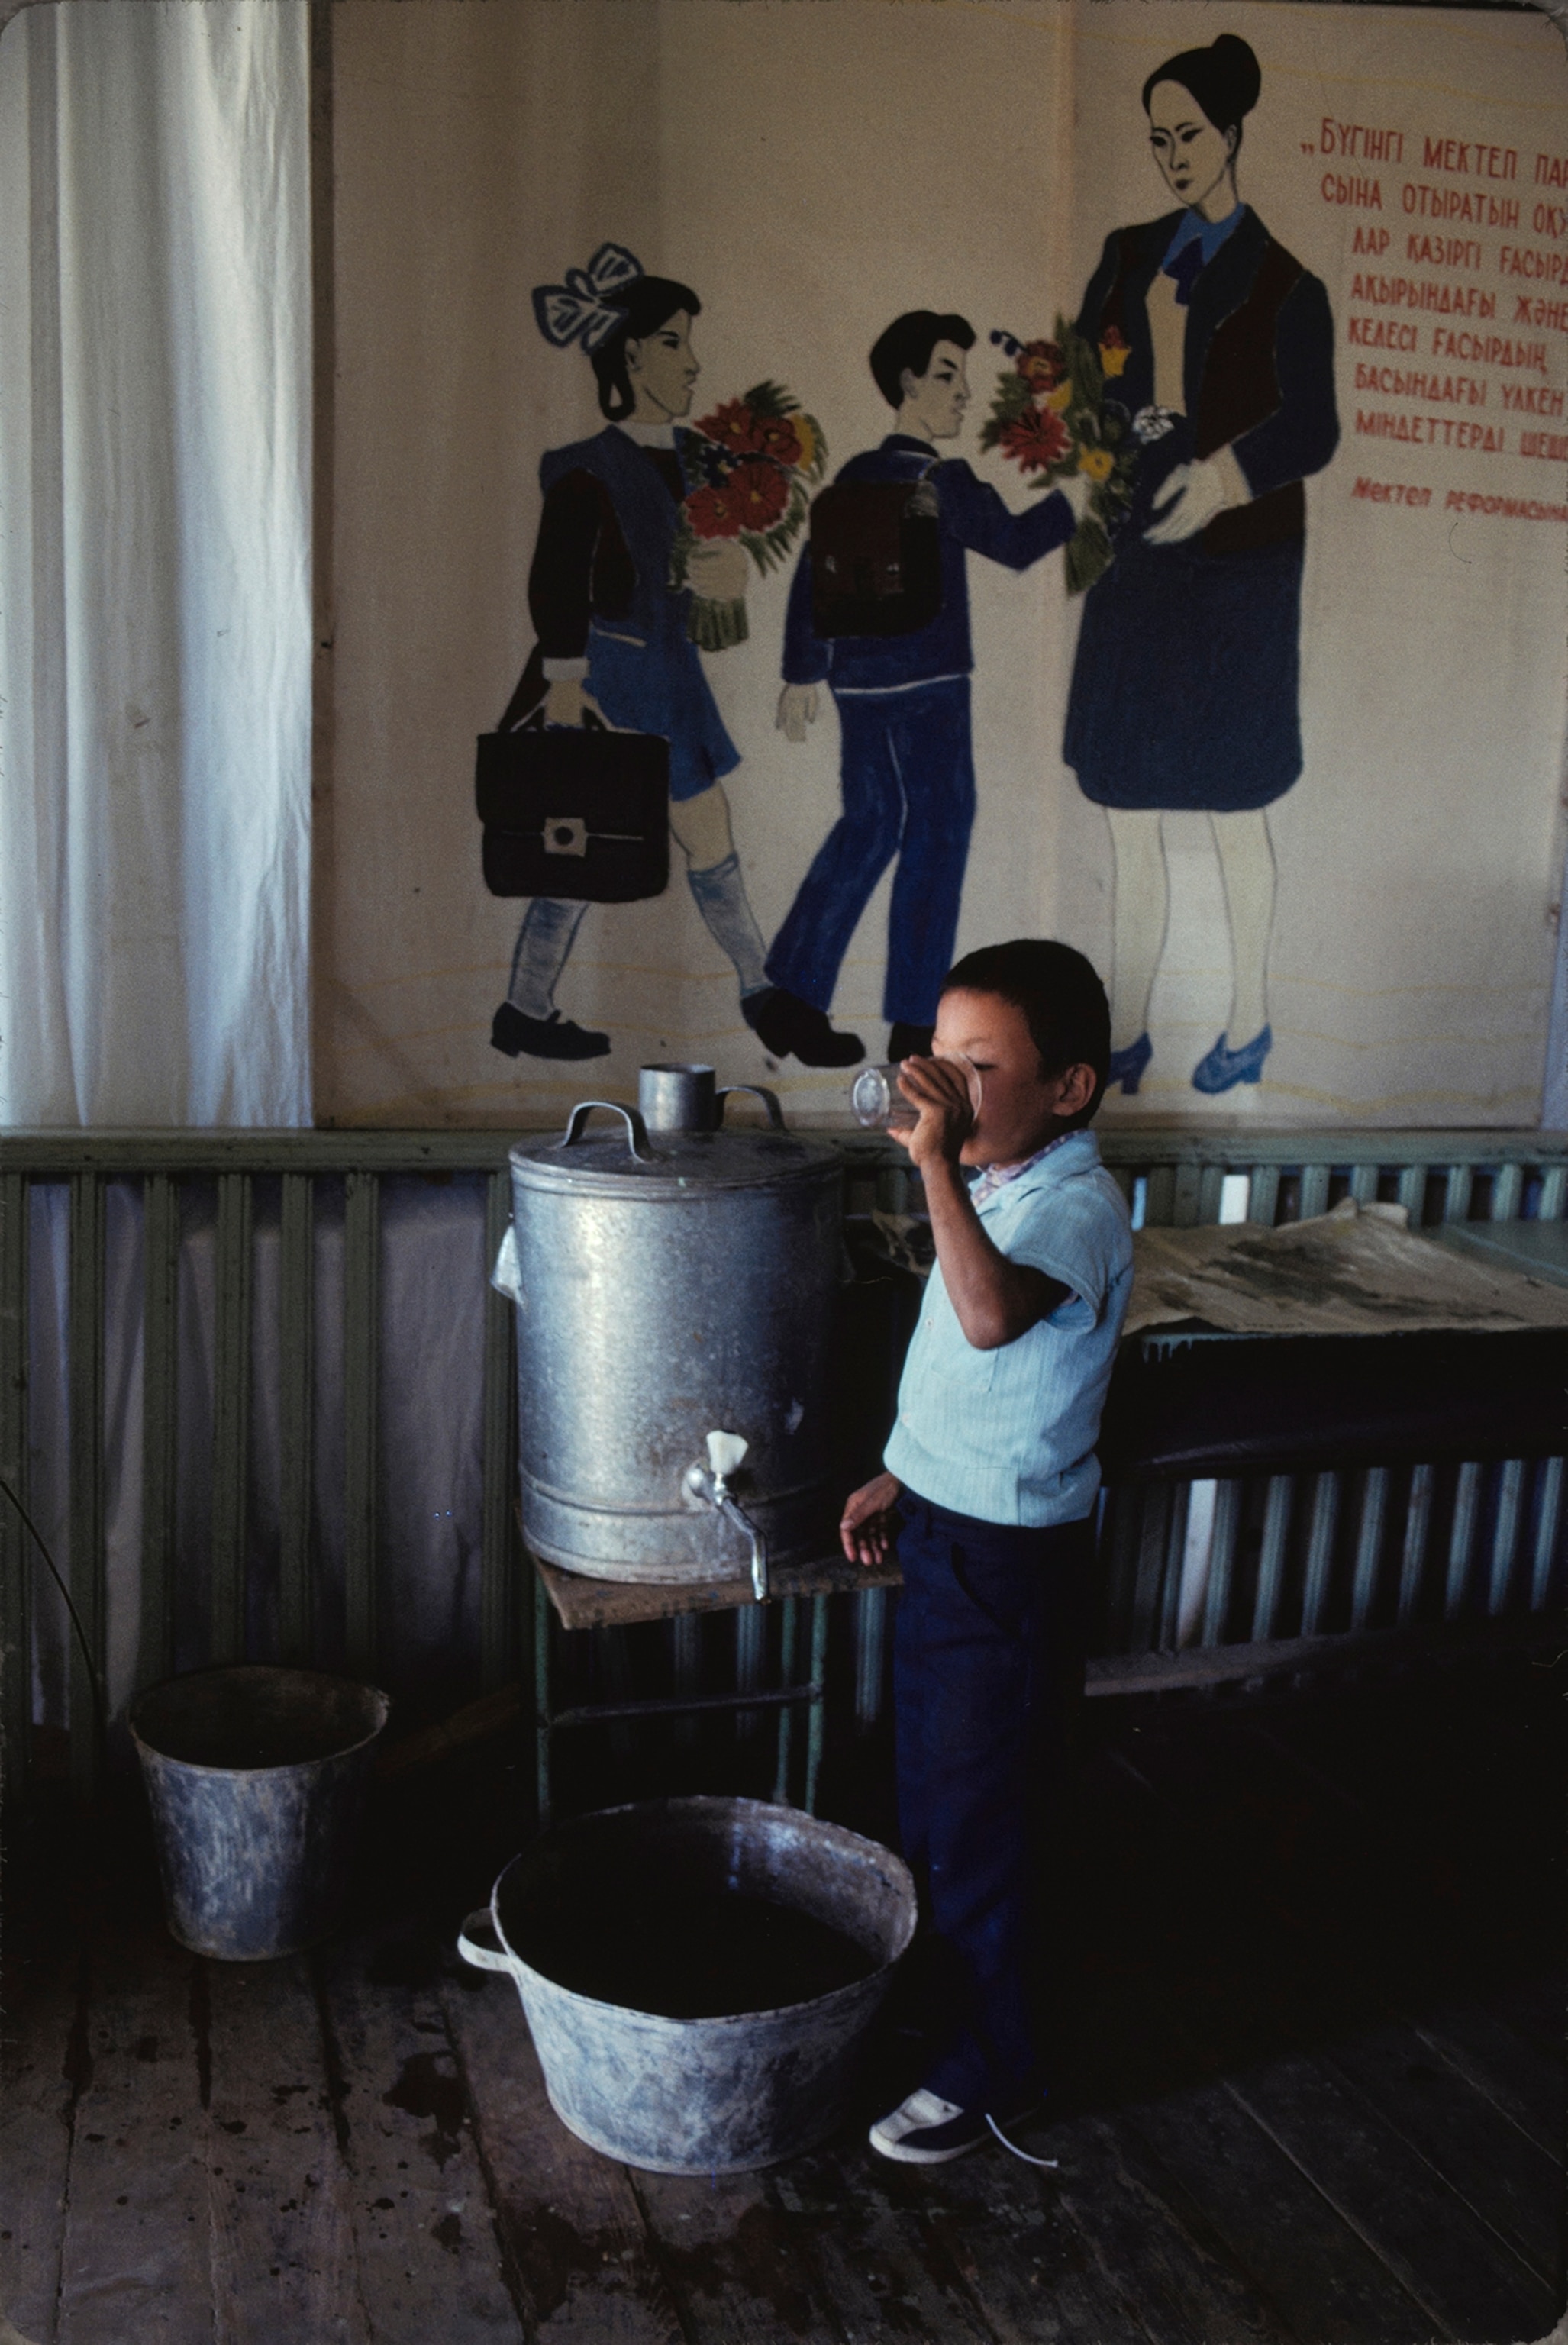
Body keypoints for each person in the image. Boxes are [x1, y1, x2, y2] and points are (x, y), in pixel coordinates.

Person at [840, 938, 1133, 2163]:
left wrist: (929, 1169)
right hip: (947, 1533)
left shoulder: (1072, 1200)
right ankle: (943, 2017)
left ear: (1067, 1088)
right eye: (937, 1063)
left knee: (987, 1820)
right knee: (932, 1802)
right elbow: (966, 1383)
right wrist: (896, 1472)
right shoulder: (1000, 1180)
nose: (943, 1093)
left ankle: (996, 2069)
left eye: (978, 1067)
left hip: (1010, 1564)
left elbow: (985, 1315)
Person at [1063, 35, 1338, 1098]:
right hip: (1140, 561)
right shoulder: (1128, 254)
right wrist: (1105, 431)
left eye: (1187, 135)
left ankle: (1249, 1019)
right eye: (1156, 138)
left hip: (1237, 575)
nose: (1171, 153)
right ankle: (1124, 1029)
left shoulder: (1285, 282)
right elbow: (1089, 375)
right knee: (1128, 806)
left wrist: (1220, 480)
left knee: (1233, 805)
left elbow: (1309, 426)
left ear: (1229, 136)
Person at [763, 315, 1084, 1068]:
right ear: (907, 384)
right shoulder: (943, 481)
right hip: (931, 687)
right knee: (937, 834)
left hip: (857, 686)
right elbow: (1011, 544)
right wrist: (1077, 500)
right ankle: (911, 1024)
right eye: (946, 375)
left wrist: (802, 671)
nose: (963, 393)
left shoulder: (852, 478)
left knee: (868, 826)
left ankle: (791, 998)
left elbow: (813, 573)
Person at [491, 250, 779, 1061]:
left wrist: (730, 578)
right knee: (575, 851)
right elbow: (554, 582)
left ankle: (758, 986)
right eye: (673, 343)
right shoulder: (586, 468)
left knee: (701, 832)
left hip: (671, 679)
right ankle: (527, 1007)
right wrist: (562, 684)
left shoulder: (700, 463)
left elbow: (709, 566)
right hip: (607, 682)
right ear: (630, 356)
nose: (691, 362)